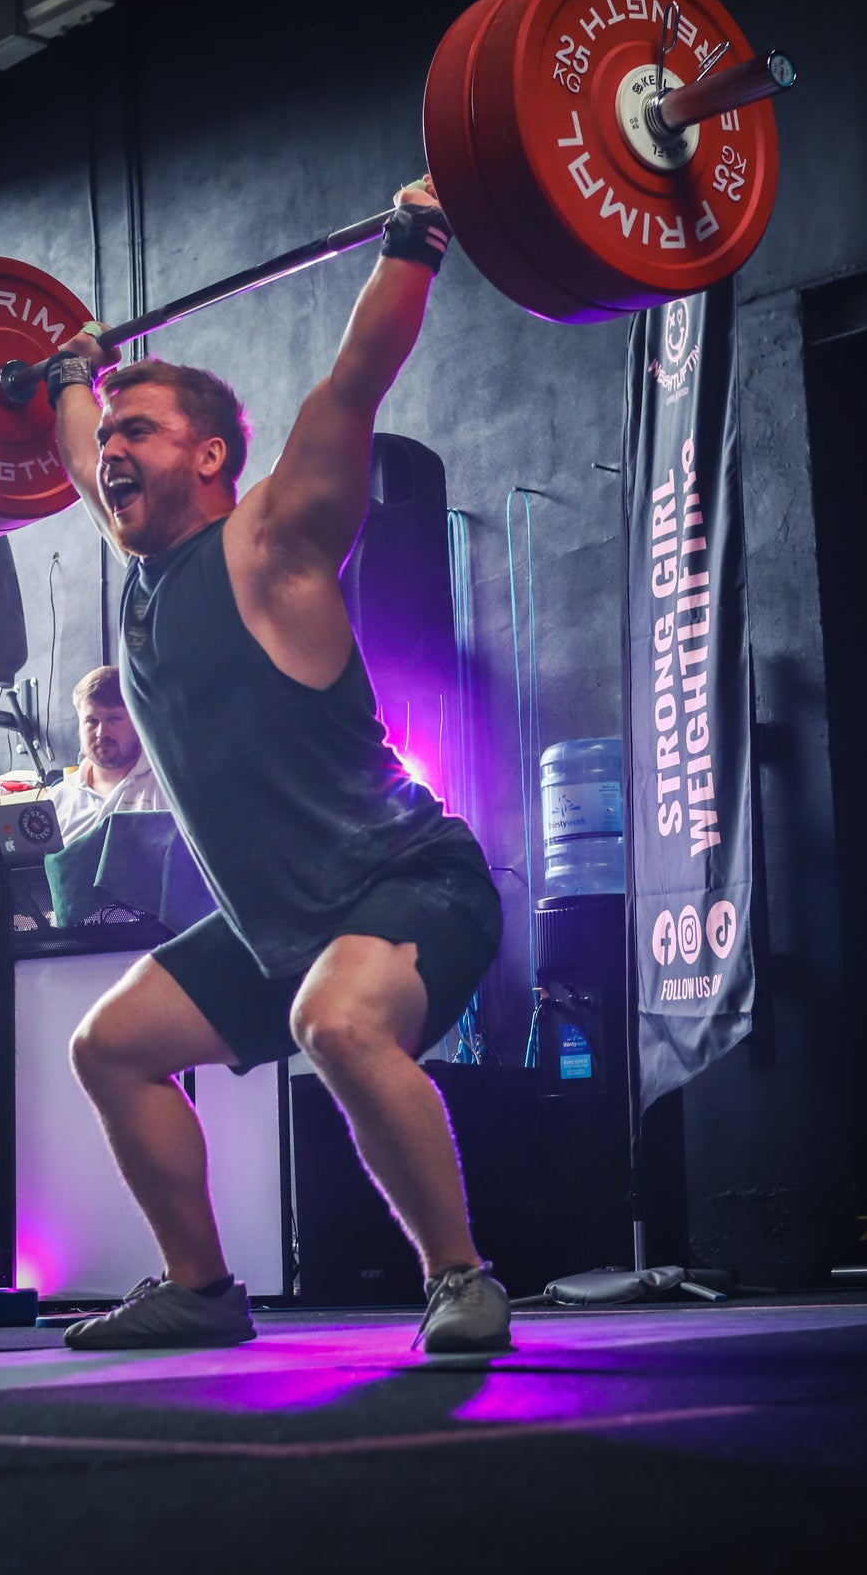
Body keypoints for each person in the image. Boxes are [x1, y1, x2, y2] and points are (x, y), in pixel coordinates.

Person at [49, 177, 509, 1355]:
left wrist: (414, 236)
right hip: (280, 925)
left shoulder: (267, 545)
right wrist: (66, 378)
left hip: (405, 881)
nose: (108, 452)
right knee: (109, 1045)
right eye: (105, 439)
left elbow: (355, 376)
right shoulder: (139, 567)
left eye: (133, 431)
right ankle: (200, 1289)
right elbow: (74, 448)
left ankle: (459, 1277)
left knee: (337, 1021)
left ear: (207, 454)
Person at [50, 666, 169, 846]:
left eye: (113, 718)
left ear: (137, 720)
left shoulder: (166, 788)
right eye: (91, 721)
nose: (101, 732)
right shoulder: (57, 801)